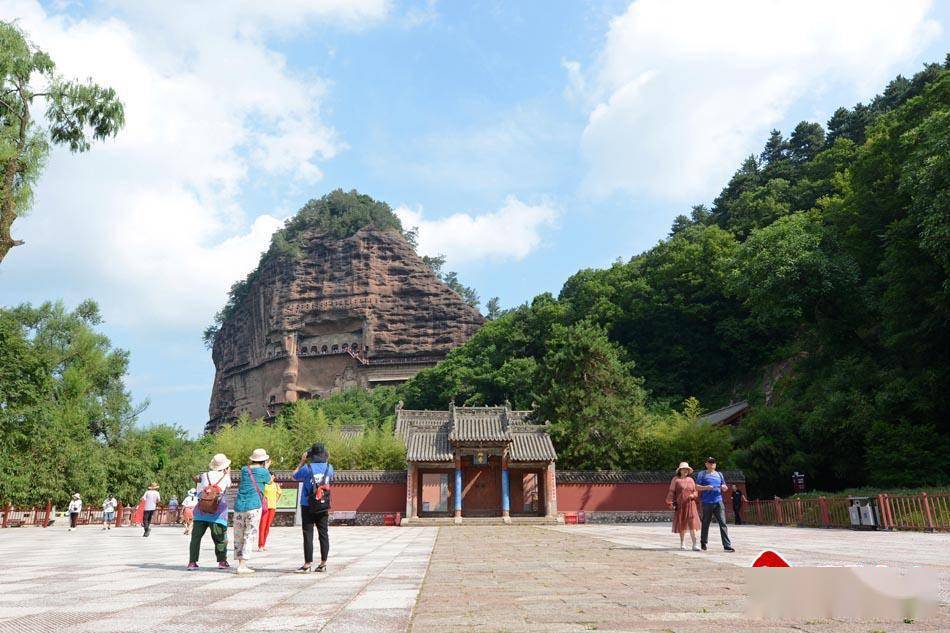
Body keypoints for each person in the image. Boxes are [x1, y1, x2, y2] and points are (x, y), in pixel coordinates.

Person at [292, 443, 334, 573]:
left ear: (312, 455)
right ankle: (323, 563)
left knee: (308, 534)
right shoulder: (330, 467)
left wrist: (302, 461)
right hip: (323, 504)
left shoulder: (307, 467)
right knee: (323, 533)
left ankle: (307, 564)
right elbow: (329, 478)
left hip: (307, 504)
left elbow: (294, 476)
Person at [188, 453, 232, 571]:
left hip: (200, 512)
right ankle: (222, 562)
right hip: (218, 513)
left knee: (195, 538)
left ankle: (192, 562)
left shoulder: (204, 475)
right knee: (219, 538)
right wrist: (227, 474)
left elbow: (198, 491)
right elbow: (228, 486)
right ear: (225, 466)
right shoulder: (225, 477)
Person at [232, 448, 272, 574]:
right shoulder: (263, 471)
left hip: (239, 506)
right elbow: (270, 481)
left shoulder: (245, 469)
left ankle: (240, 563)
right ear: (264, 460)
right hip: (254, 506)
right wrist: (266, 468)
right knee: (249, 534)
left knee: (238, 535)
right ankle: (243, 565)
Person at [695, 457, 735, 552]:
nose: (712, 464)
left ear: (715, 465)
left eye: (713, 463)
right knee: (705, 523)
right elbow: (696, 487)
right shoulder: (702, 474)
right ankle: (703, 542)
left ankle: (726, 545)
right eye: (710, 463)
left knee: (723, 523)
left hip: (718, 501)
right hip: (707, 502)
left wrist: (724, 488)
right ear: (706, 464)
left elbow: (724, 486)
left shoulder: (719, 474)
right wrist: (706, 487)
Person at [666, 462, 701, 551]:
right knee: (682, 524)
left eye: (687, 469)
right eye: (683, 469)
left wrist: (693, 495)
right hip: (681, 505)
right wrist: (670, 502)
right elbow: (671, 492)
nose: (685, 471)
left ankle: (695, 544)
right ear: (680, 470)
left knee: (692, 523)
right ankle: (682, 542)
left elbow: (695, 491)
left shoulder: (691, 480)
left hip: (690, 504)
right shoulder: (675, 480)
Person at [258, 478, 283, 551]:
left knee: (267, 526)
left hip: (272, 507)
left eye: (271, 476)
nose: (270, 478)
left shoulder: (276, 485)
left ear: (274, 477)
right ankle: (260, 545)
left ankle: (263, 544)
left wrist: (276, 501)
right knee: (262, 526)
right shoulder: (264, 485)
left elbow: (280, 493)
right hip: (265, 508)